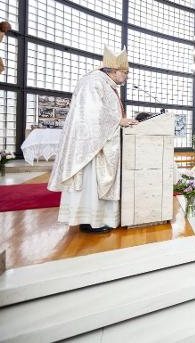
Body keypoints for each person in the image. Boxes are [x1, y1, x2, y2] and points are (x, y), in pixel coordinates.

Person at [48, 47, 138, 234]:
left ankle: (96, 219)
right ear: (113, 70)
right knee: (90, 184)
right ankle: (89, 221)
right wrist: (118, 121)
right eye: (125, 72)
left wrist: (118, 122)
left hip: (101, 142)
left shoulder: (106, 84)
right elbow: (91, 114)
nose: (127, 76)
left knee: (95, 184)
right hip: (90, 148)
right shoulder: (93, 82)